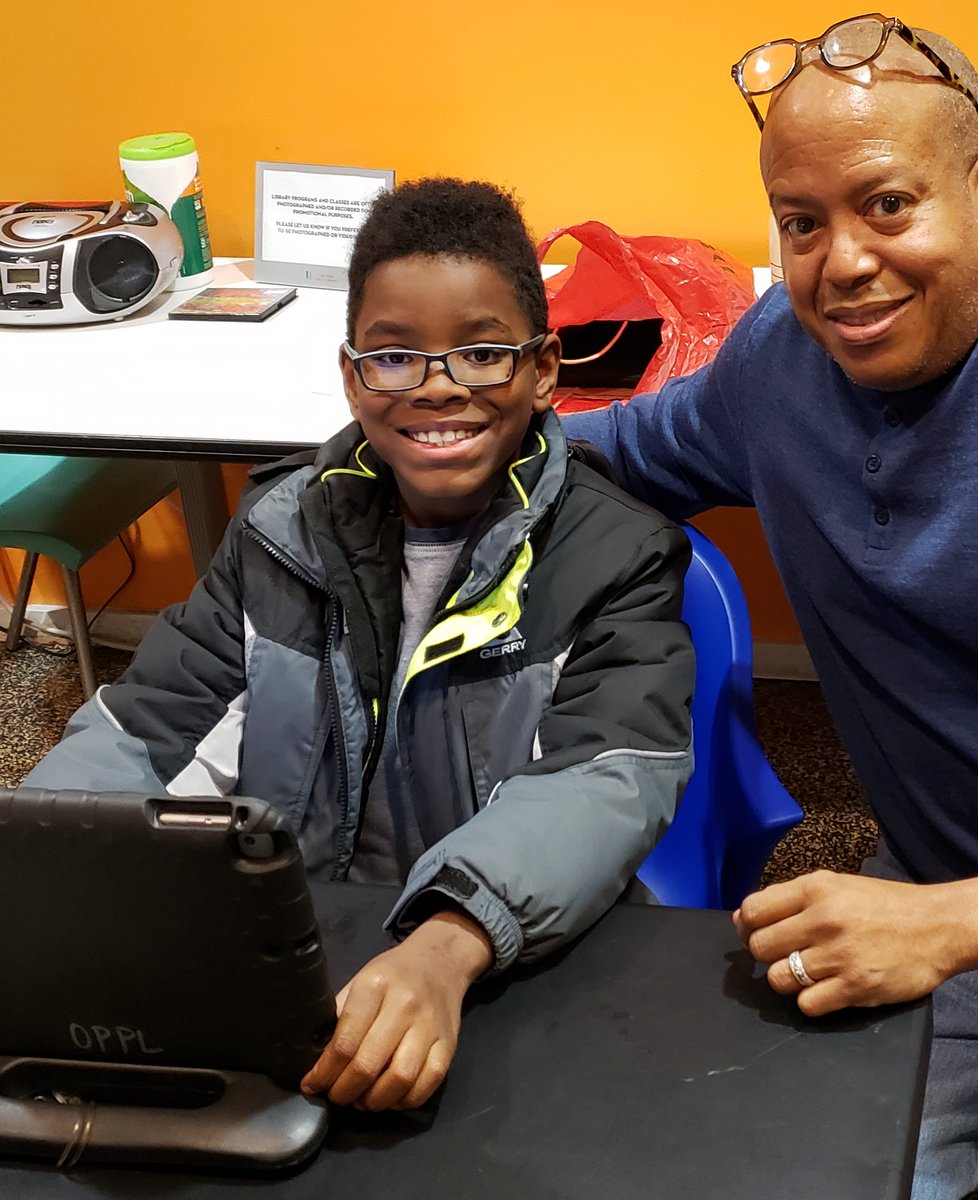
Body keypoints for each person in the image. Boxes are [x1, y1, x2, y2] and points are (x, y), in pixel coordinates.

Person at [565, 14, 978, 1200]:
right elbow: (626, 447)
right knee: (751, 1166)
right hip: (953, 872)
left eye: (887, 205)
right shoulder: (784, 359)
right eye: (801, 222)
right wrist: (425, 436)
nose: (842, 263)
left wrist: (958, 924)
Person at [24, 178, 694, 1113]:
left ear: (544, 368)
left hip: (499, 954)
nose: (437, 386)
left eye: (483, 352)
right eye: (394, 356)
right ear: (350, 375)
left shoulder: (616, 554)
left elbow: (605, 779)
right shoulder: (278, 532)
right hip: (296, 954)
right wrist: (37, 861)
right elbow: (151, 727)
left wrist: (450, 940)